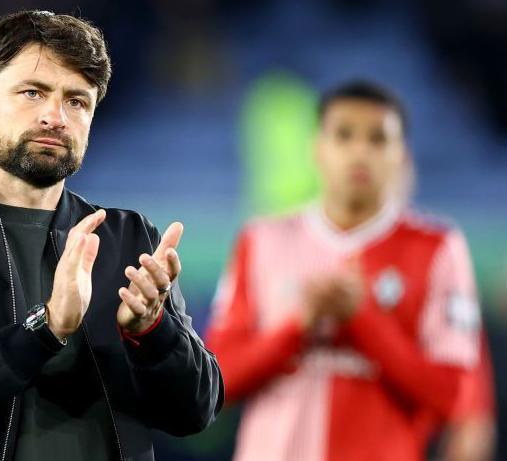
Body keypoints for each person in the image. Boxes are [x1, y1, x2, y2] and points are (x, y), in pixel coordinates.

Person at [0, 10, 222, 461]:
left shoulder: (129, 238)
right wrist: (44, 329)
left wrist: (153, 333)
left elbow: (197, 412)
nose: (55, 116)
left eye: (76, 101)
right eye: (33, 93)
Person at [205, 81, 484, 461]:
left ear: (401, 155)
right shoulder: (262, 240)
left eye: (378, 139)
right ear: (317, 148)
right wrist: (299, 325)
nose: (359, 152)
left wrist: (362, 320)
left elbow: (454, 397)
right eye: (344, 135)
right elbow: (216, 382)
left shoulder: (437, 248)